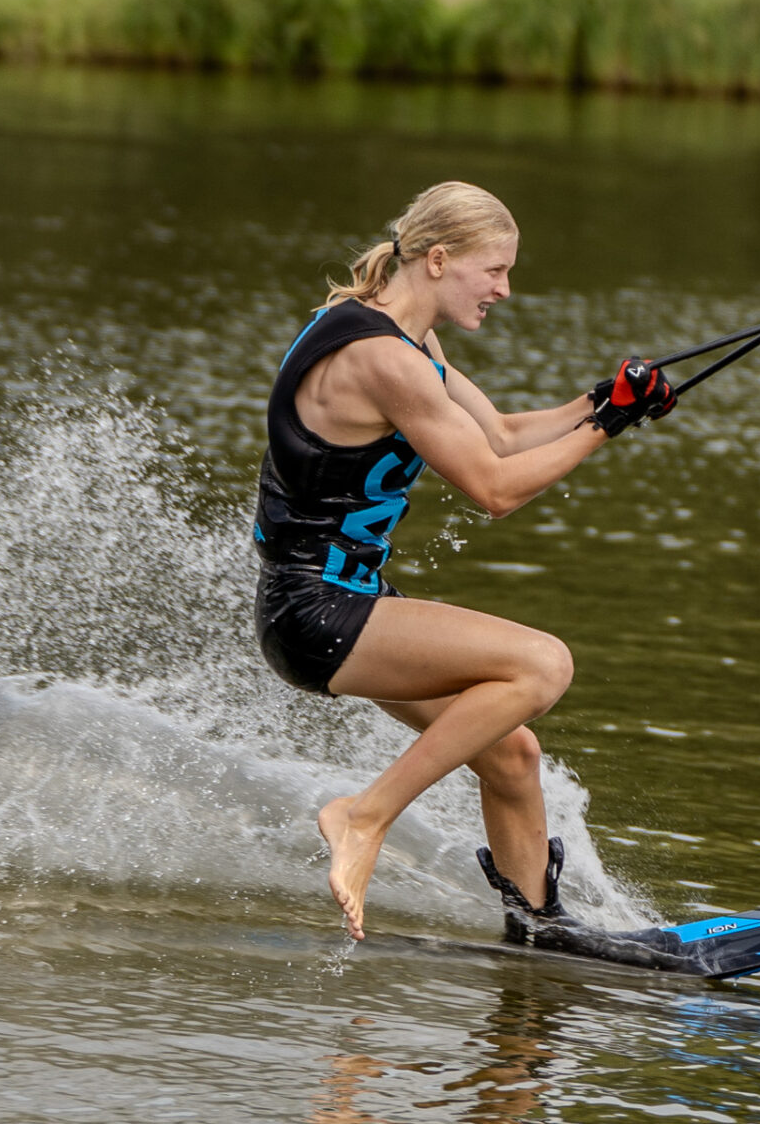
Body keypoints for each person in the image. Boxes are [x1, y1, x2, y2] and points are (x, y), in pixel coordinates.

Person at [252, 180, 675, 943]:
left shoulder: (409, 340)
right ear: (440, 260)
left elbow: (507, 435)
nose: (505, 291)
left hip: (348, 600)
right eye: (496, 271)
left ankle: (538, 929)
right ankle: (363, 816)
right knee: (541, 667)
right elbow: (494, 488)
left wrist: (608, 401)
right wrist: (605, 430)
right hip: (315, 610)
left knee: (512, 754)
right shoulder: (380, 359)